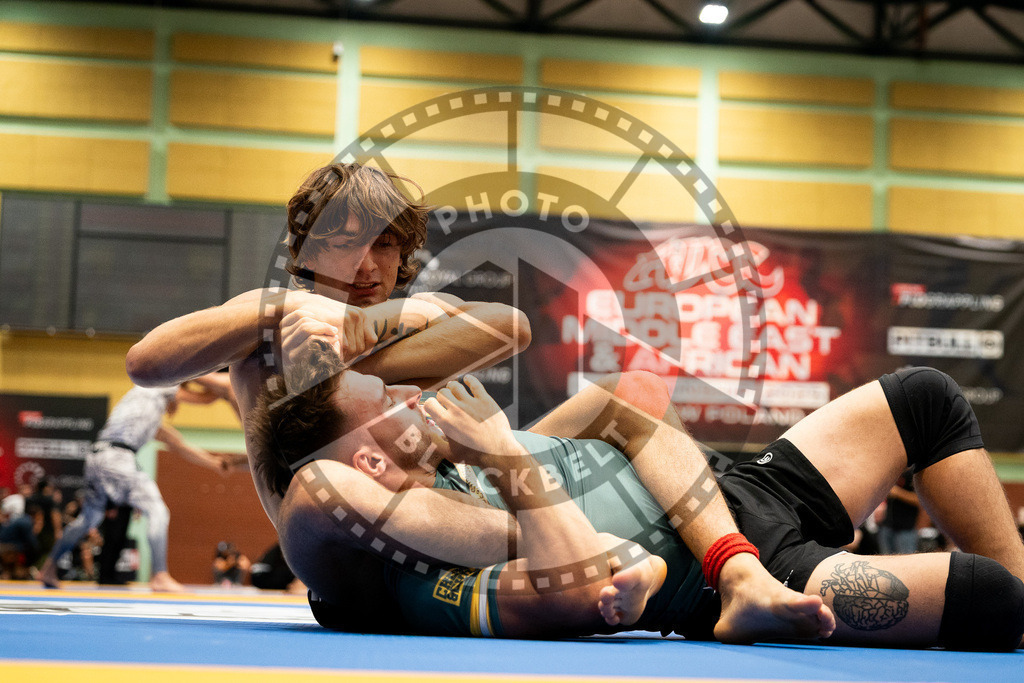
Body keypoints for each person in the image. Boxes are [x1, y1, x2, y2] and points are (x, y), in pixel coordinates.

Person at [254, 352, 1024, 650]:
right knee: (995, 599)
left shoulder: (458, 456)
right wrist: (505, 453)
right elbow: (314, 495)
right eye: (384, 399)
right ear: (365, 459)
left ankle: (741, 570)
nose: (406, 392)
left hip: (736, 492)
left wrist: (500, 447)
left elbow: (627, 406)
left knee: (926, 394)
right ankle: (746, 582)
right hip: (738, 576)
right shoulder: (421, 576)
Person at [125, 163, 531, 528]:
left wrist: (366, 327)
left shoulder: (417, 311)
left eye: (385, 244)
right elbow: (145, 364)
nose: (367, 265)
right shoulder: (271, 317)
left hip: (449, 518)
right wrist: (294, 303)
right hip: (339, 541)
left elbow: (513, 328)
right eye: (346, 244)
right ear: (309, 250)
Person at [39, 377, 235, 591]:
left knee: (89, 519)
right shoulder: (160, 384)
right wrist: (225, 386)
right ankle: (159, 575)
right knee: (158, 511)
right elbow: (205, 398)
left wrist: (214, 463)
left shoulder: (143, 408)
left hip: (98, 456)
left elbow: (177, 444)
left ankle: (48, 568)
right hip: (117, 459)